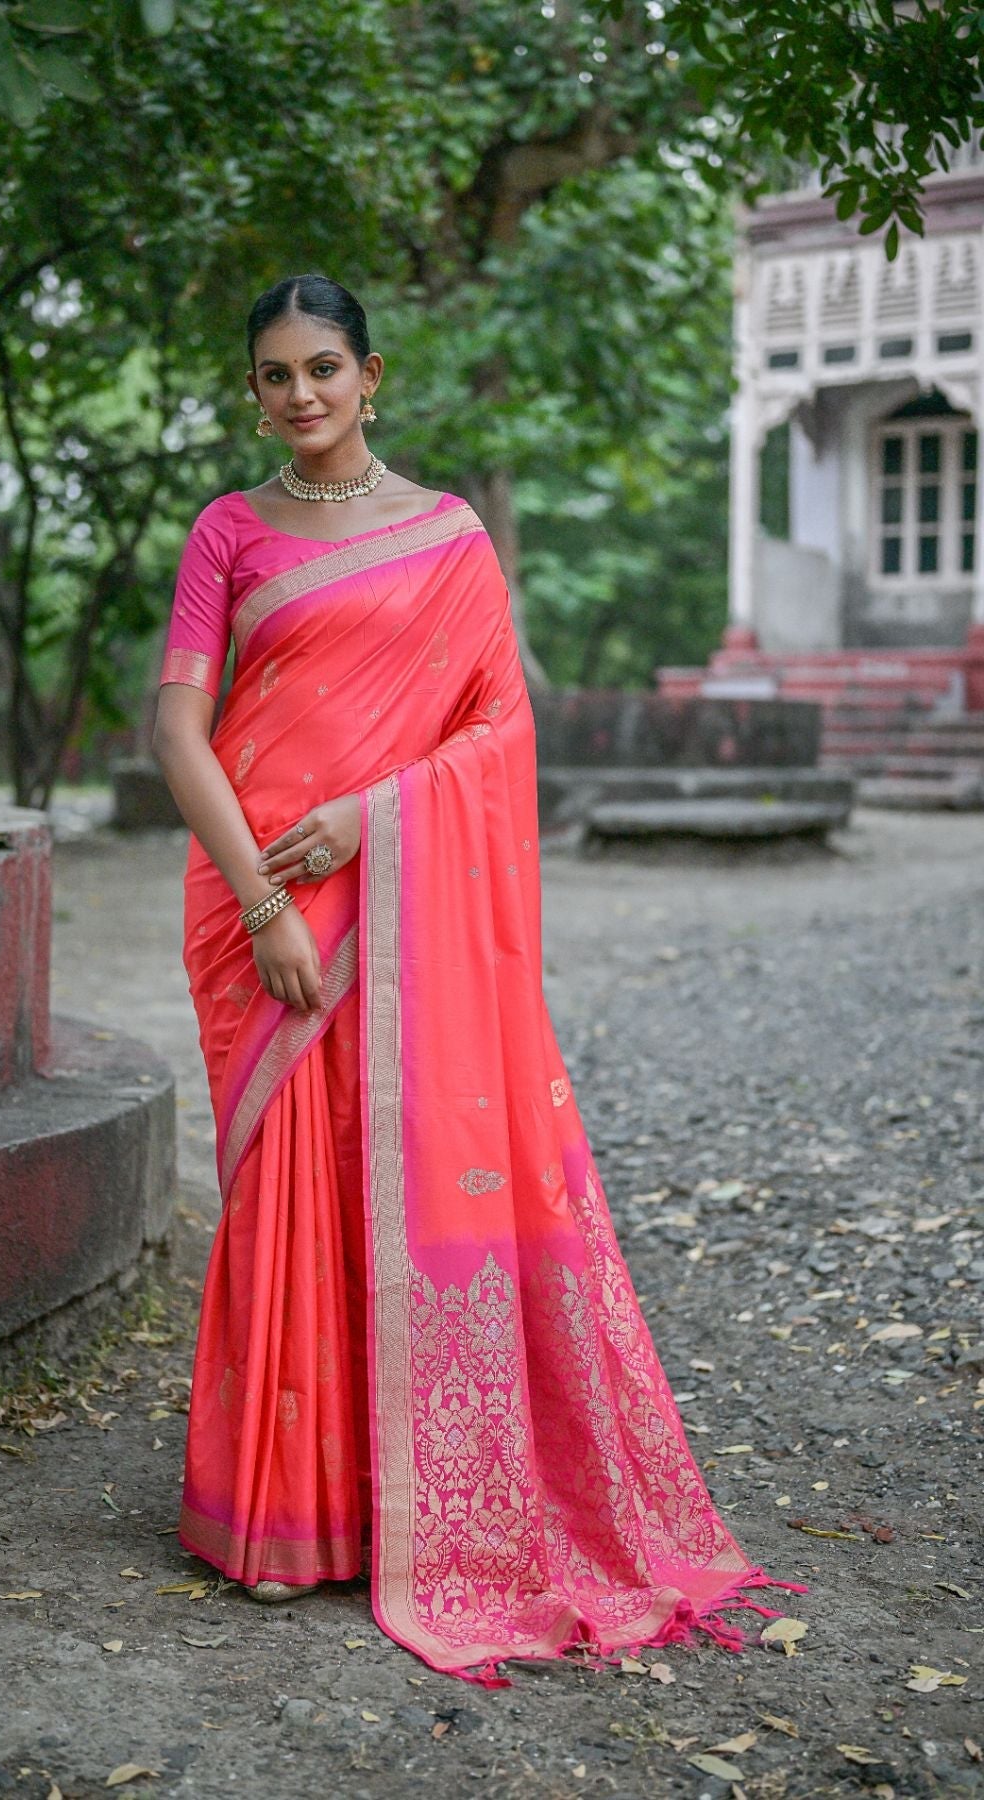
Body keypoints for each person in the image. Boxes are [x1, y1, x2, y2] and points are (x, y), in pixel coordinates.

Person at [150, 273, 803, 1686]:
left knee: (399, 1174)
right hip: (263, 907)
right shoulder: (230, 532)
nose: (302, 395)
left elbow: (500, 735)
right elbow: (176, 726)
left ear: (371, 375)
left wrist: (374, 823)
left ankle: (418, 1503)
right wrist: (268, 897)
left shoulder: (450, 537)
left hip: (392, 891)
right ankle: (286, 1516)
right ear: (254, 389)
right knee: (286, 1190)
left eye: (324, 368)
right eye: (276, 376)